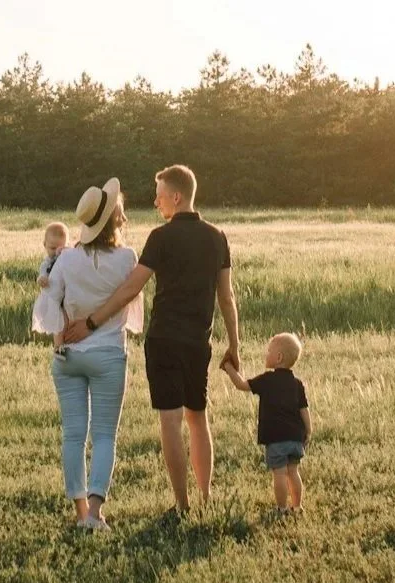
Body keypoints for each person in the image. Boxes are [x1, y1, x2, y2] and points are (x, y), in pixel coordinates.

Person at [61, 164, 240, 514]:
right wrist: (234, 344)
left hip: (164, 341)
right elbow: (227, 296)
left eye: (159, 195)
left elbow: (131, 288)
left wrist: (92, 322)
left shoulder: (161, 237)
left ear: (176, 196)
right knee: (198, 418)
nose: (156, 202)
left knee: (170, 421)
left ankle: (182, 505)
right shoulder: (218, 236)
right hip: (197, 342)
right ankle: (205, 499)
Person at [31, 178, 142, 531]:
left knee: (73, 435)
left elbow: (51, 305)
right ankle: (95, 514)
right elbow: (131, 301)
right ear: (115, 220)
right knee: (105, 434)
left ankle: (80, 513)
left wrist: (60, 336)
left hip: (69, 356)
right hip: (109, 353)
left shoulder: (65, 259)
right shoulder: (127, 258)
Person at [222, 332, 310, 517]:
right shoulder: (297, 384)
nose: (266, 353)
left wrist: (228, 367)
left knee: (279, 473)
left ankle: (281, 508)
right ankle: (297, 507)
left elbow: (242, 385)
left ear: (278, 357)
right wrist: (308, 432)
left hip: (276, 439)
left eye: (269, 350)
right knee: (293, 471)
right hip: (295, 438)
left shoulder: (267, 380)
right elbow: (304, 410)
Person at [36, 220, 69, 288]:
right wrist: (42, 279)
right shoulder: (47, 263)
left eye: (61, 248)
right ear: (45, 245)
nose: (57, 252)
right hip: (53, 292)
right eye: (53, 248)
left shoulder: (69, 258)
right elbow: (43, 272)